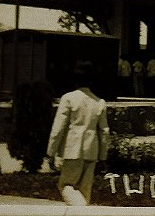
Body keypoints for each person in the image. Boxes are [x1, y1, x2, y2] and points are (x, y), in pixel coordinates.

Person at [46, 62, 109, 206]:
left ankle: (84, 211)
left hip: (72, 150)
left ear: (74, 80)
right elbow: (104, 132)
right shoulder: (99, 102)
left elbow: (58, 128)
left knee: (66, 186)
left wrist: (51, 152)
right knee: (84, 191)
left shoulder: (68, 98)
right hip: (91, 151)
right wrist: (103, 156)